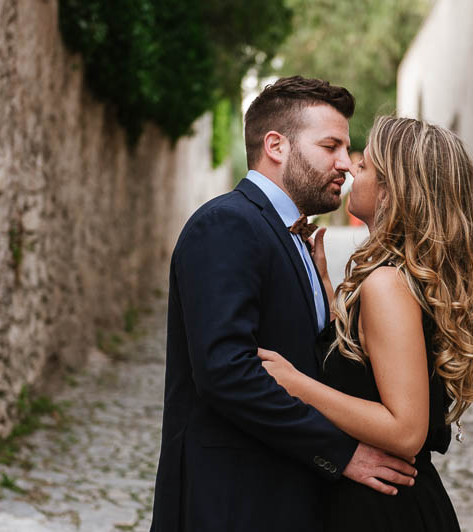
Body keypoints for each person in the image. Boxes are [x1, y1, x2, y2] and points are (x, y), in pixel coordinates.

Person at [149, 78, 417, 532]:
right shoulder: (227, 224)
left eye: (346, 149)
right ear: (276, 145)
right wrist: (340, 452)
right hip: (232, 502)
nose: (345, 165)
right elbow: (226, 373)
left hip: (284, 496)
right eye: (330, 146)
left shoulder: (293, 236)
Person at [257, 116, 473, 531]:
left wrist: (298, 385)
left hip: (385, 510)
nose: (352, 168)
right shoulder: (398, 276)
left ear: (392, 191)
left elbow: (406, 430)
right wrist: (331, 298)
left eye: (365, 165)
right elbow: (371, 369)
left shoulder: (387, 283)